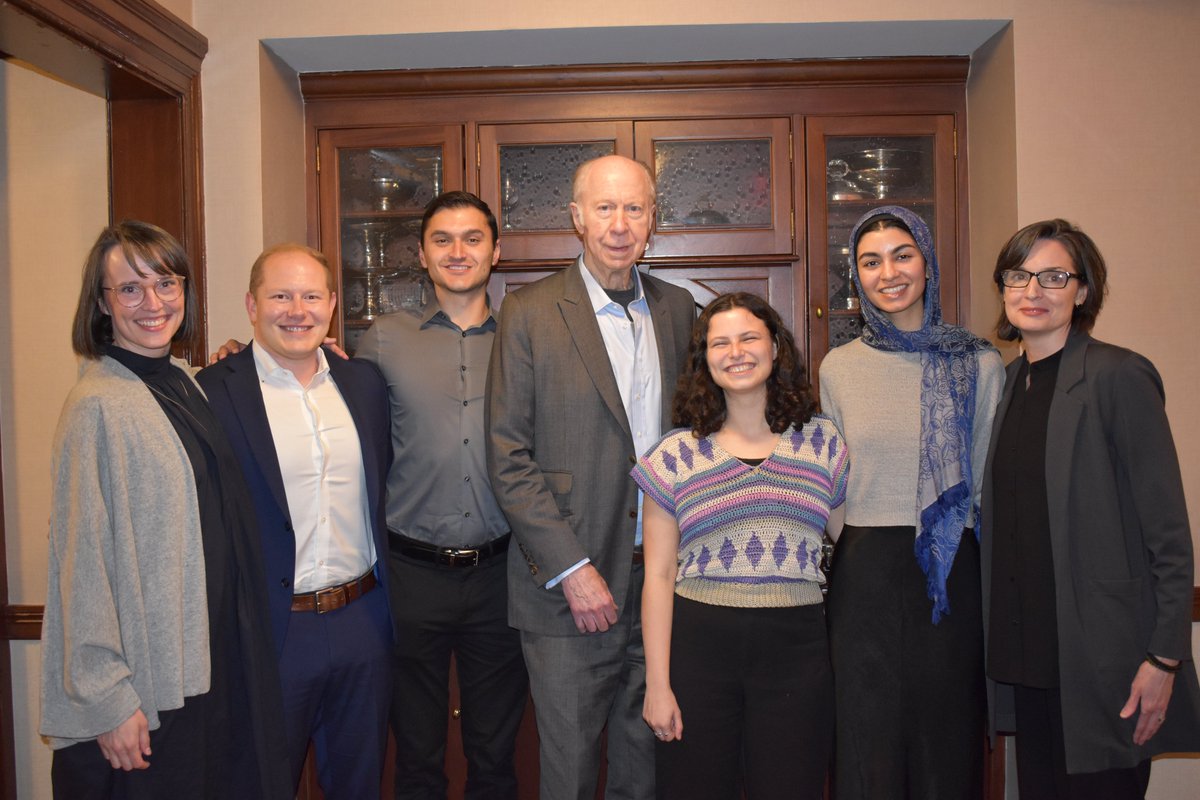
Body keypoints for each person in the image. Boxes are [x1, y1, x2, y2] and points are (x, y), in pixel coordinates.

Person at [40, 221, 289, 799]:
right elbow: (80, 564)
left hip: (211, 669)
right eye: (129, 289)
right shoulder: (97, 406)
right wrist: (107, 699)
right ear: (101, 305)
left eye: (166, 284)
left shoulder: (183, 384)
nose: (152, 303)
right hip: (149, 697)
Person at [486, 154, 695, 799]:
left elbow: (699, 434)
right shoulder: (528, 312)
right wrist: (572, 570)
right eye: (604, 208)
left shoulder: (679, 309)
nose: (619, 224)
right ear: (577, 218)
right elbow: (508, 456)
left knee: (646, 764)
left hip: (663, 580)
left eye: (634, 208)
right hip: (569, 589)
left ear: (652, 220)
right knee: (570, 770)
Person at [981, 219, 1200, 799]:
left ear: (1083, 291)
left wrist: (1164, 658)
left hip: (1106, 664)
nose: (1033, 290)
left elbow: (1170, 538)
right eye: (1019, 275)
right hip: (1029, 660)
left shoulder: (1119, 376)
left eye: (1055, 276)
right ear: (1003, 289)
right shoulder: (1004, 387)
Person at [819, 205, 1004, 799]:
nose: (888, 272)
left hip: (950, 566)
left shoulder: (978, 361)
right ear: (858, 276)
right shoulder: (839, 367)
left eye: (903, 255)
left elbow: (982, 479)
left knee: (946, 741)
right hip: (864, 568)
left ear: (927, 261)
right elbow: (834, 483)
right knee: (866, 740)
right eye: (870, 262)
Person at [196, 244, 393, 799]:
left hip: (365, 622)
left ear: (332, 305)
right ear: (251, 305)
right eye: (280, 295)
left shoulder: (365, 386)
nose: (296, 310)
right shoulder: (212, 392)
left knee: (361, 786)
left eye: (310, 296)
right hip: (273, 631)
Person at [632, 292, 846, 799]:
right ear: (704, 359)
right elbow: (658, 576)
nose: (736, 352)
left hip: (798, 648)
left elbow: (850, 543)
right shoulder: (674, 456)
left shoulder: (823, 443)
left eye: (749, 337)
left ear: (775, 346)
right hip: (700, 649)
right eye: (719, 343)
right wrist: (657, 685)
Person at [355, 191, 528, 799]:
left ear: (496, 252)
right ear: (423, 256)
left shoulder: (525, 337)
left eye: (473, 238)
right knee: (417, 758)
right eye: (443, 240)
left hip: (502, 575)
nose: (459, 252)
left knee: (495, 756)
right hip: (409, 575)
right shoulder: (381, 341)